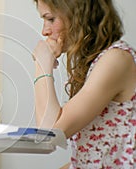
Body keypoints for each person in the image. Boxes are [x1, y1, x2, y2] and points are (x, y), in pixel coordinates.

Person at [33, 0, 136, 168]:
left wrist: (42, 63)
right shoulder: (98, 62)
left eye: (50, 19)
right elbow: (90, 155)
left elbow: (49, 132)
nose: (45, 31)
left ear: (77, 14)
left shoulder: (115, 60)